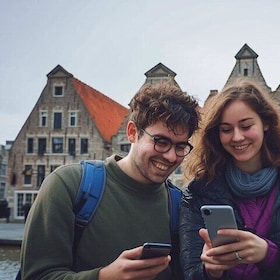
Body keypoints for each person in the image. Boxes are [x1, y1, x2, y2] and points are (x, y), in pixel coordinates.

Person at [20, 81, 200, 280]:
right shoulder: (68, 185)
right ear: (132, 132)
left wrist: (210, 269)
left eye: (180, 147)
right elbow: (36, 275)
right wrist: (103, 277)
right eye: (161, 142)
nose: (171, 156)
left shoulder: (178, 202)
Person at [179, 79, 280, 279]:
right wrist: (210, 271)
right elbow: (189, 273)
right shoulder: (198, 192)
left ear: (266, 123)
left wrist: (269, 253)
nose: (237, 137)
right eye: (226, 129)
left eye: (246, 126)